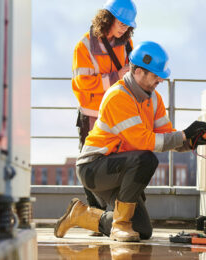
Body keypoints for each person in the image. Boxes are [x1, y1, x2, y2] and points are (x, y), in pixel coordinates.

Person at [55, 41, 206, 242]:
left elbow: (166, 134)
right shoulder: (118, 97)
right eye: (156, 75)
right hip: (94, 167)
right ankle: (120, 226)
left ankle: (81, 215)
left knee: (142, 230)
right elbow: (143, 141)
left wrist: (192, 141)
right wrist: (183, 135)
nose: (160, 79)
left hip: (120, 169)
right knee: (147, 159)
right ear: (139, 72)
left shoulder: (154, 98)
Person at [71, 0, 137, 228]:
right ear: (107, 18)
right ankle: (94, 216)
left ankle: (107, 216)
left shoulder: (126, 42)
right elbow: (82, 84)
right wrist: (116, 76)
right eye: (121, 23)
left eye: (128, 25)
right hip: (92, 114)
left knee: (117, 160)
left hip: (117, 112)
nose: (124, 28)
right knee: (91, 163)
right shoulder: (84, 46)